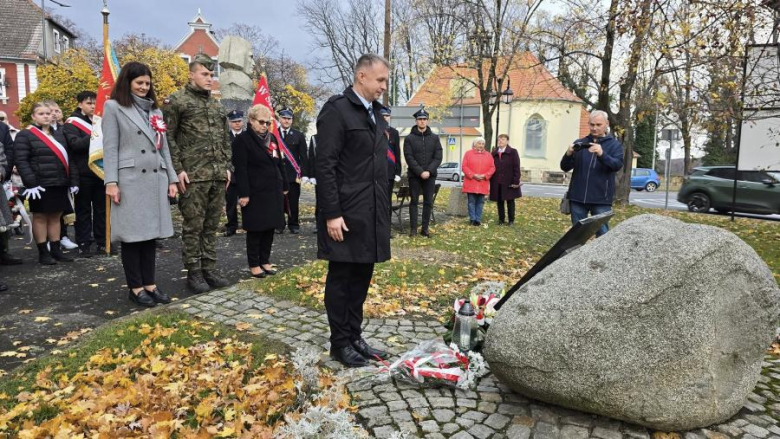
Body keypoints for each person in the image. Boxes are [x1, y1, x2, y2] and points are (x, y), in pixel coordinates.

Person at [317, 54, 391, 368]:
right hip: (345, 213)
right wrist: (332, 213)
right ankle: (339, 343)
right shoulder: (337, 111)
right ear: (362, 76)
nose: (384, 87)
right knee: (342, 278)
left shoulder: (375, 113)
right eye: (380, 80)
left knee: (361, 276)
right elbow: (325, 166)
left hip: (370, 211)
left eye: (385, 80)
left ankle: (355, 336)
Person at [101, 62, 179, 307]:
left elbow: (163, 147)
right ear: (128, 82)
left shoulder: (156, 111)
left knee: (150, 237)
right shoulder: (113, 107)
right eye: (139, 83)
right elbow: (110, 148)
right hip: (130, 180)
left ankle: (150, 284)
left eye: (147, 83)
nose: (145, 87)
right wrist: (111, 181)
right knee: (133, 238)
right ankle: (135, 288)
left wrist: (172, 178)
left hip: (155, 179)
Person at [163, 54, 232, 293]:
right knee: (193, 226)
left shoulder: (216, 104)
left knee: (212, 225)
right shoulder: (177, 101)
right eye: (204, 74)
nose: (209, 78)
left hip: (215, 175)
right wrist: (177, 169)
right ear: (191, 74)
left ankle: (209, 269)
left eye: (211, 74)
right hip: (192, 176)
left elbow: (225, 138)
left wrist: (227, 167)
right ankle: (193, 272)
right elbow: (168, 137)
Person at [14, 102, 79, 265]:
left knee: (56, 216)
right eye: (41, 113)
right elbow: (22, 161)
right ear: (33, 116)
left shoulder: (59, 134)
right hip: (39, 184)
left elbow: (69, 159)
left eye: (48, 113)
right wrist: (31, 183)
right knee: (41, 217)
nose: (46, 116)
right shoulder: (25, 135)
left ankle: (56, 250)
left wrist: (72, 180)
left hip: (59, 182)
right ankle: (44, 252)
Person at [233, 104, 288, 278]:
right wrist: (243, 194)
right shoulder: (242, 140)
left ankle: (265, 260)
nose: (265, 126)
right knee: (256, 230)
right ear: (251, 121)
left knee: (269, 228)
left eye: (268, 122)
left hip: (273, 191)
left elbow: (279, 163)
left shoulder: (271, 138)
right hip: (254, 192)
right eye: (261, 122)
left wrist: (285, 184)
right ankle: (254, 264)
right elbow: (240, 169)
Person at [560, 110, 624, 236]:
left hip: (601, 199)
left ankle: (603, 256)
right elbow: (565, 167)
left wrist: (602, 154)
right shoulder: (580, 143)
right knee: (577, 236)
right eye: (592, 124)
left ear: (607, 124)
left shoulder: (615, 145)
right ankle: (579, 256)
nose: (594, 128)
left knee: (603, 235)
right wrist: (568, 154)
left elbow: (616, 165)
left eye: (598, 125)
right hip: (577, 198)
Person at [63, 91, 105, 257]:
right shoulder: (71, 123)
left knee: (102, 210)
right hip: (83, 172)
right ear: (80, 104)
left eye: (95, 103)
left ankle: (102, 242)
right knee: (83, 210)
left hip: (102, 172)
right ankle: (84, 243)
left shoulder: (100, 121)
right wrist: (95, 134)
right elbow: (76, 145)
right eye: (89, 103)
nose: (93, 106)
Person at [43, 100, 78, 251]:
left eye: (57, 111)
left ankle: (62, 237)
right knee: (48, 211)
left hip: (64, 175)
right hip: (47, 176)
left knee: (63, 210)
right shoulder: (42, 132)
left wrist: (73, 179)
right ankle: (48, 240)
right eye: (51, 112)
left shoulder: (65, 130)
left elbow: (71, 156)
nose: (54, 114)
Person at [403, 107, 442, 237]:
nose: (422, 121)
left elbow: (438, 156)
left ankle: (424, 229)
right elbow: (409, 157)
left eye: (424, 119)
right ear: (416, 121)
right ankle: (413, 229)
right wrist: (420, 172)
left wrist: (429, 171)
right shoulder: (409, 138)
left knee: (428, 202)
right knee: (413, 201)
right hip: (415, 176)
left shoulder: (435, 138)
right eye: (420, 119)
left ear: (427, 121)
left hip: (430, 176)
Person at [277, 108, 306, 234]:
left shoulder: (299, 135)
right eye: (284, 118)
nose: (286, 120)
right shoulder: (273, 135)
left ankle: (293, 224)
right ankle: (279, 225)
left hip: (293, 174)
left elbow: (304, 157)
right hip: (277, 174)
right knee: (278, 201)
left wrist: (302, 174)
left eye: (289, 118)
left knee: (293, 201)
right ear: (279, 119)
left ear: (292, 120)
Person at [0, 113, 22, 267]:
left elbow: (7, 152)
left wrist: (3, 172)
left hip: (1, 180)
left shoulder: (2, 128)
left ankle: (3, 252)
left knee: (2, 225)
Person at [462, 137, 495, 226]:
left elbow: (492, 168)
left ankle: (478, 219)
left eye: (482, 144)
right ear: (474, 144)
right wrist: (473, 175)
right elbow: (464, 166)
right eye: (479, 143)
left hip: (483, 182)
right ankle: (472, 219)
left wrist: (485, 175)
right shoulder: (468, 154)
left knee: (480, 202)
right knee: (471, 202)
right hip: (471, 182)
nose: (481, 145)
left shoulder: (488, 155)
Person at [489, 134, 522, 225]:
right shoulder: (494, 153)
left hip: (509, 181)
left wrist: (516, 181)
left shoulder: (513, 152)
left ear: (507, 141)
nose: (500, 141)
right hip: (497, 181)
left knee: (510, 201)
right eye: (499, 139)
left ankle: (511, 220)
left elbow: (516, 167)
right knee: (499, 201)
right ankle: (501, 219)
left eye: (503, 139)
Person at [224, 109, 245, 237]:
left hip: (245, 174)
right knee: (231, 203)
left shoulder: (248, 136)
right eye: (234, 122)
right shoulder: (225, 137)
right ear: (230, 123)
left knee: (247, 201)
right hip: (230, 174)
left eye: (239, 121)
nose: (237, 124)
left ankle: (248, 224)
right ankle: (231, 226)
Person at [379, 107, 401, 217]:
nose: (385, 118)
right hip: (377, 172)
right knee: (377, 201)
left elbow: (397, 153)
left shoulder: (394, 132)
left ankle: (387, 227)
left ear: (389, 117)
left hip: (390, 172)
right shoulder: (374, 131)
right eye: (382, 116)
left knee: (387, 201)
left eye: (387, 116)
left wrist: (398, 172)